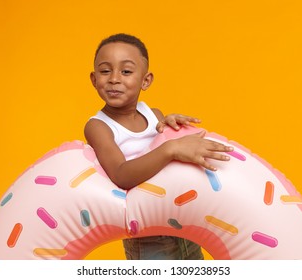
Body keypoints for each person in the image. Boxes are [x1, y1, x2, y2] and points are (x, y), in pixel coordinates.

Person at [84, 33, 233, 260]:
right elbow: (121, 175)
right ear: (94, 79)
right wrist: (170, 148)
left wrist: (175, 129)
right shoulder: (98, 126)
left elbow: (166, 155)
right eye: (105, 71)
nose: (114, 79)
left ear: (146, 81)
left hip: (183, 223)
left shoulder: (153, 115)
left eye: (126, 71)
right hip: (148, 235)